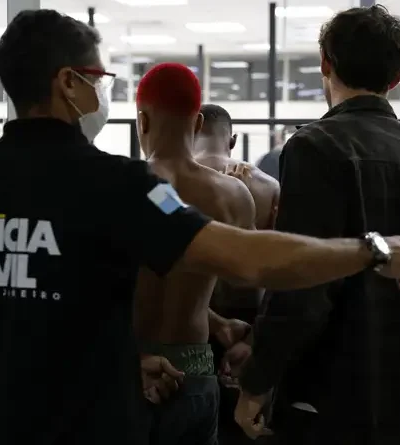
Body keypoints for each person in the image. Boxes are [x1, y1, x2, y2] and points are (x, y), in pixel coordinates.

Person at [0, 9, 400, 445]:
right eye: (98, 79)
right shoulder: (118, 185)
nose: (102, 93)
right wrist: (369, 249)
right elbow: (248, 259)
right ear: (67, 82)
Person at [233, 6, 400, 445]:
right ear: (397, 78)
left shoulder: (315, 147)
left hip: (332, 396)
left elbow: (301, 282)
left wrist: (257, 381)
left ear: (325, 64)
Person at [132, 63, 257, 445]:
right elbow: (257, 283)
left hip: (134, 370)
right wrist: (228, 328)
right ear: (198, 122)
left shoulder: (119, 188)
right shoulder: (233, 195)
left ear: (142, 121)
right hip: (196, 368)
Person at [193, 103, 280, 444]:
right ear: (232, 140)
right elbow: (280, 269)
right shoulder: (268, 186)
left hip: (197, 320)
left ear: (191, 132)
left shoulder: (171, 182)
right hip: (252, 323)